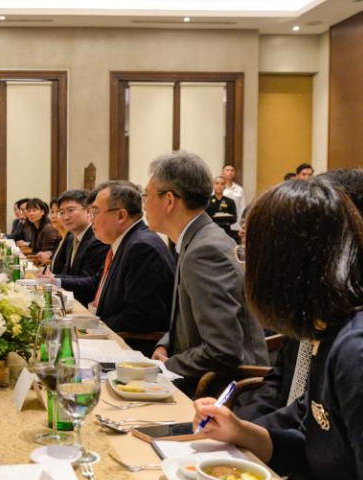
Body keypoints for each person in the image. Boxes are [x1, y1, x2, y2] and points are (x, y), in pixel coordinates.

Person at [193, 178, 363, 480]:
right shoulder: (325, 333)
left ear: (285, 267)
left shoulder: (354, 351)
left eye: (250, 255)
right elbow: (309, 447)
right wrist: (240, 431)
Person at [236, 168, 363, 428]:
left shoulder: (352, 343)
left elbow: (314, 427)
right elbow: (284, 385)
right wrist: (240, 428)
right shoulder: (312, 306)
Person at [144, 150, 268, 396]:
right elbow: (195, 319)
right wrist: (165, 345)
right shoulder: (198, 238)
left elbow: (223, 349)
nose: (144, 204)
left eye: (146, 196)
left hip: (220, 395)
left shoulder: (205, 251)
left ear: (169, 200)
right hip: (204, 382)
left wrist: (163, 367)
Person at [88, 181, 175, 356]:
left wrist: (96, 328)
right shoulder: (129, 241)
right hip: (114, 340)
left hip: (132, 351)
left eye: (95, 212)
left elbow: (143, 317)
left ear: (120, 215)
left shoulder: (141, 248)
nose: (91, 218)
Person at [38, 190, 108, 306]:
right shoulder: (71, 237)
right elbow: (68, 272)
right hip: (70, 301)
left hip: (86, 305)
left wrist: (55, 279)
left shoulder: (97, 239)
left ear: (88, 211)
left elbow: (91, 281)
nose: (65, 217)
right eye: (62, 212)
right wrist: (51, 276)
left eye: (71, 210)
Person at [36, 198, 68, 264]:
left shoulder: (70, 239)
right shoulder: (60, 238)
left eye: (58, 212)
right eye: (52, 212)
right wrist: (50, 254)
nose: (53, 216)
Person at [206, 176, 238, 240]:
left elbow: (234, 218)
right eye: (217, 183)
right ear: (213, 185)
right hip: (211, 231)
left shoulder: (230, 201)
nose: (219, 186)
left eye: (222, 184)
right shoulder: (207, 201)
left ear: (225, 186)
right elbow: (204, 216)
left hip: (226, 231)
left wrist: (225, 221)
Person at [221, 165, 245, 240]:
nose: (230, 172)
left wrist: (242, 224)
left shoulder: (239, 189)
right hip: (221, 224)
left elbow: (242, 207)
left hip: (235, 225)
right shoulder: (219, 188)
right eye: (227, 170)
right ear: (222, 172)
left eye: (232, 170)